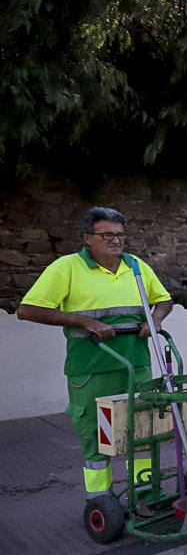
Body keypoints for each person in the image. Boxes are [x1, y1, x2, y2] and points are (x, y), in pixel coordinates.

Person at [17, 207, 173, 515]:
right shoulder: (67, 268)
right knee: (96, 439)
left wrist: (155, 319)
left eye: (120, 235)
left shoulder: (136, 267)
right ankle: (100, 504)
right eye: (107, 235)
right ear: (88, 238)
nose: (116, 241)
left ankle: (142, 497)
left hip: (137, 364)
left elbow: (163, 299)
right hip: (91, 370)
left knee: (141, 434)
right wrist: (85, 322)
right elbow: (28, 310)